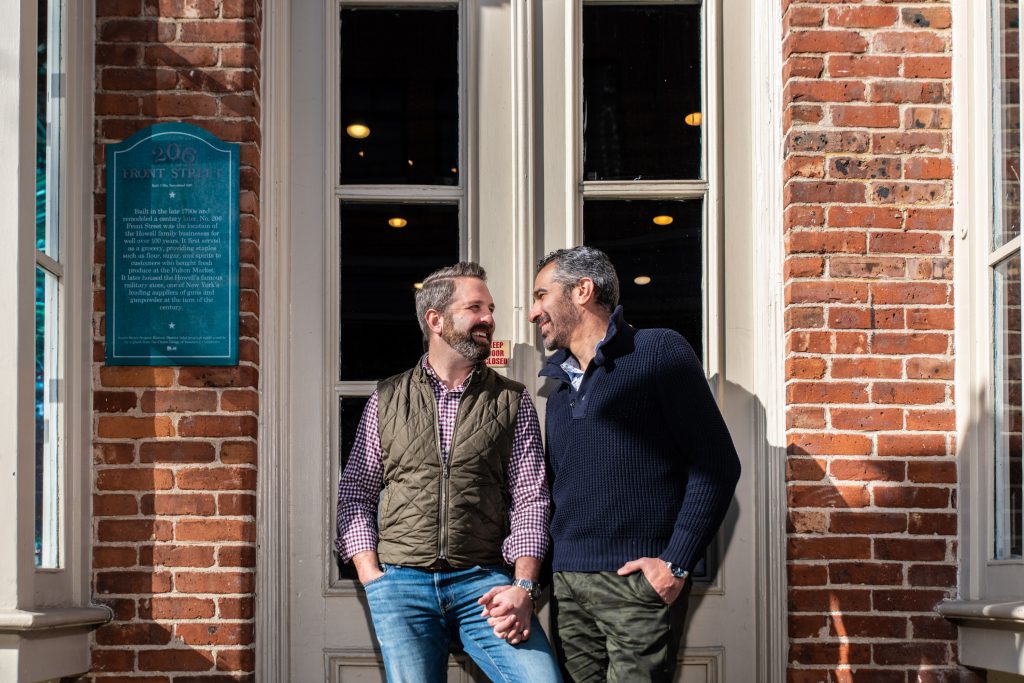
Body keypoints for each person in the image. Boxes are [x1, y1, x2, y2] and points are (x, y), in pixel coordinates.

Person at [335, 261, 562, 683]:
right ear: (435, 320)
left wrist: (524, 586)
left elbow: (532, 497)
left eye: (490, 309)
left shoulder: (511, 400)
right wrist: (374, 579)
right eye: (475, 307)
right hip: (402, 584)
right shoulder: (387, 397)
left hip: (485, 584)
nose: (489, 319)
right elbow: (356, 494)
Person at [525, 246, 741, 682]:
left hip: (634, 585)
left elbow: (717, 464)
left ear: (582, 290)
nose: (533, 312)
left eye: (541, 295)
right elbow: (553, 492)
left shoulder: (657, 351)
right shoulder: (558, 389)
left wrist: (675, 564)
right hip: (568, 587)